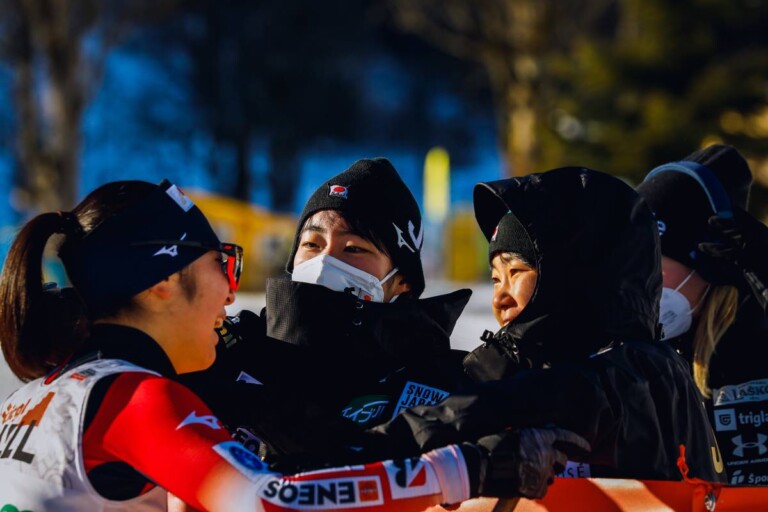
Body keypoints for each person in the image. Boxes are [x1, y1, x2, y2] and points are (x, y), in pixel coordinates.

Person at [0, 178, 587, 510]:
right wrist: (466, 468)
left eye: (355, 247)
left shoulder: (37, 396)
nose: (232, 296)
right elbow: (271, 501)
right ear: (160, 285)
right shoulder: (138, 398)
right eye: (221, 267)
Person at [374, 166, 726, 482]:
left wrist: (384, 445)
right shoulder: (540, 367)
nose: (500, 297)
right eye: (496, 279)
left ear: (573, 275)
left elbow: (549, 399)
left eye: (517, 272)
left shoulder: (641, 370)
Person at [180, 158, 476, 466]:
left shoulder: (441, 387)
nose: (325, 260)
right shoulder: (223, 351)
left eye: (353, 249)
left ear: (402, 282)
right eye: (312, 244)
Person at [636, 144, 768, 485]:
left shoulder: (757, 342)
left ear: (710, 264)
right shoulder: (638, 358)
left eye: (655, 264)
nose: (641, 283)